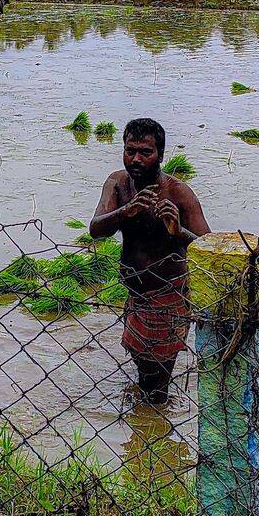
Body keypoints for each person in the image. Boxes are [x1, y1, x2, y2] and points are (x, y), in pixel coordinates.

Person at [89, 118, 209, 405]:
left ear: (161, 155)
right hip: (135, 294)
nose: (136, 159)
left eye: (145, 152)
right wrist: (125, 212)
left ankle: (152, 420)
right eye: (130, 151)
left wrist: (178, 231)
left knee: (155, 388)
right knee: (144, 367)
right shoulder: (118, 183)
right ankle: (149, 420)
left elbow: (208, 249)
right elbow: (95, 229)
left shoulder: (178, 193)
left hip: (168, 295)